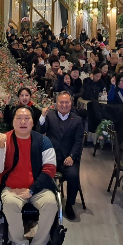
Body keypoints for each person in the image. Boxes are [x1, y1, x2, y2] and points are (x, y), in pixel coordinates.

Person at [0, 106, 57, 245]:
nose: (23, 121)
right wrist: (0, 149)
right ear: (12, 122)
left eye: (27, 118)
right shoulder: (3, 140)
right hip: (12, 189)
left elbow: (50, 169)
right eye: (19, 118)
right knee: (10, 203)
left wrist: (31, 190)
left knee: (51, 203)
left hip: (38, 188)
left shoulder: (43, 140)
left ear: (33, 122)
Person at [38, 92, 83, 220]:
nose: (64, 105)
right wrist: (42, 117)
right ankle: (42, 202)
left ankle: (69, 205)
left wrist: (72, 156)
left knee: (74, 176)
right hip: (50, 157)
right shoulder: (50, 116)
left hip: (67, 159)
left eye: (66, 102)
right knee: (37, 171)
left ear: (71, 103)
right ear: (56, 104)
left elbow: (78, 142)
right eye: (61, 102)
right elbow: (39, 132)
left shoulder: (77, 120)